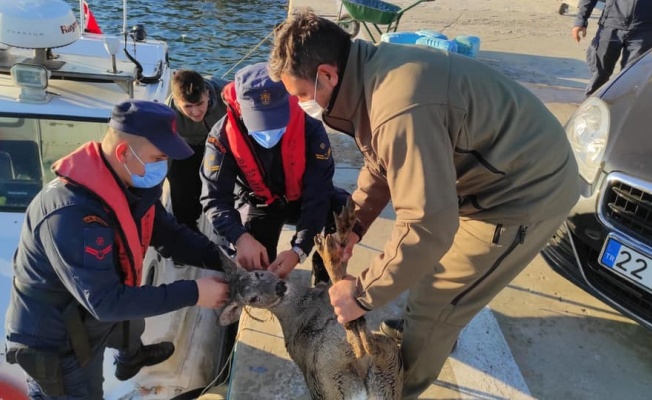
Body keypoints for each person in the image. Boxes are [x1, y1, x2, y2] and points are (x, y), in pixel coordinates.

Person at [269, 9, 580, 399]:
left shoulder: (398, 109)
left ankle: (400, 386)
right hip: (490, 172)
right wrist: (353, 227)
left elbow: (429, 225)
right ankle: (427, 332)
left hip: (523, 192)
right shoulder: (369, 73)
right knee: (420, 273)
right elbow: (380, 164)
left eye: (300, 95)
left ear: (327, 75)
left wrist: (361, 294)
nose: (300, 106)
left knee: (436, 300)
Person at [4, 100, 235, 399]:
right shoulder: (73, 214)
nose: (163, 167)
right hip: (58, 343)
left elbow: (172, 236)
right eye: (159, 157)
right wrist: (195, 292)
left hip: (91, 316)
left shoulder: (131, 185)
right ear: (124, 152)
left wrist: (226, 262)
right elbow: (107, 302)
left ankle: (131, 357)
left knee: (132, 310)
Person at [200, 62, 351, 282]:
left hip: (301, 198)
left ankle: (323, 278)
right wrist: (240, 237)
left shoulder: (311, 127)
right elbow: (214, 199)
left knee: (342, 209)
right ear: (241, 108)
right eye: (259, 123)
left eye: (275, 121)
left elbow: (319, 192)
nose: (268, 131)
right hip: (260, 203)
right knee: (256, 270)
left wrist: (299, 249)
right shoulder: (221, 137)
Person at [166, 70, 227, 232]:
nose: (196, 112)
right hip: (186, 147)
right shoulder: (168, 114)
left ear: (207, 94)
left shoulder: (226, 93)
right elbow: (164, 156)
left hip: (220, 145)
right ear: (178, 103)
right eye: (188, 106)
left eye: (200, 103)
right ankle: (188, 231)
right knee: (180, 188)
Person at [572, 0, 652, 96]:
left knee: (631, 77)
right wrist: (581, 19)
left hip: (644, 30)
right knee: (599, 74)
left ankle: (620, 109)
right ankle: (592, 107)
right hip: (610, 26)